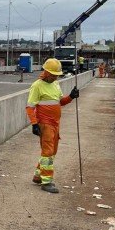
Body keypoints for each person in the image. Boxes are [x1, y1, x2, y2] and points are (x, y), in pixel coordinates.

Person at [25, 58, 79, 193]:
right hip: (45, 124)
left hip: (55, 124)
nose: (55, 77)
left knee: (52, 152)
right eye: (53, 74)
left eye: (57, 75)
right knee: (48, 152)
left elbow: (60, 102)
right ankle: (46, 181)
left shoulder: (55, 84)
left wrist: (71, 97)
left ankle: (38, 176)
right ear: (46, 72)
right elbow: (30, 107)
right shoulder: (37, 85)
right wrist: (34, 124)